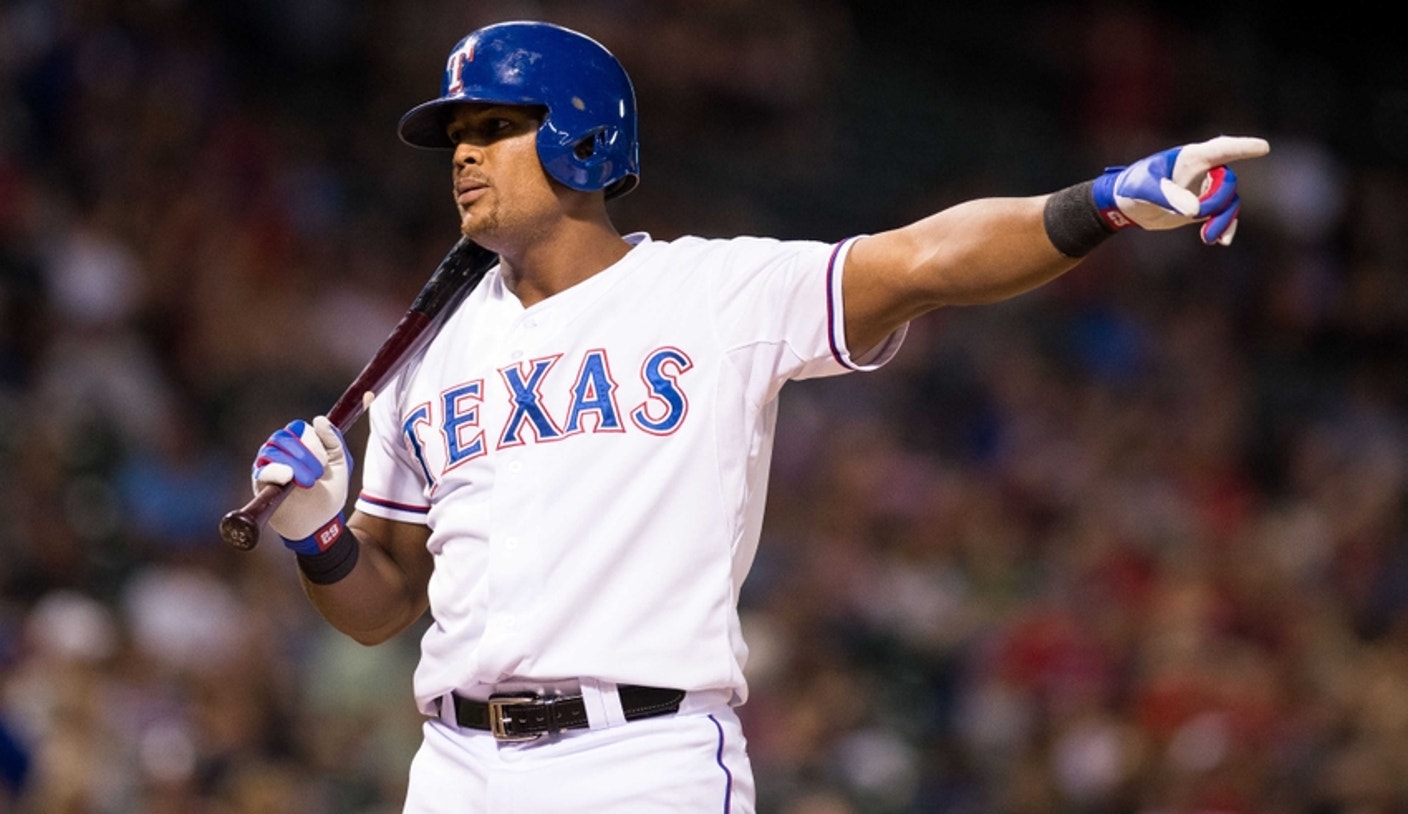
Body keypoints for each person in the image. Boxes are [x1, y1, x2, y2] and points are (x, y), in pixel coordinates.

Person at [246, 19, 1269, 813]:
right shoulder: (428, 354)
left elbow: (923, 261)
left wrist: (1104, 201)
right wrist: (317, 537)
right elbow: (382, 603)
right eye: (456, 135)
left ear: (580, 134)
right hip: (457, 765)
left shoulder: (712, 294)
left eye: (493, 127)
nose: (462, 154)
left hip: (640, 760)